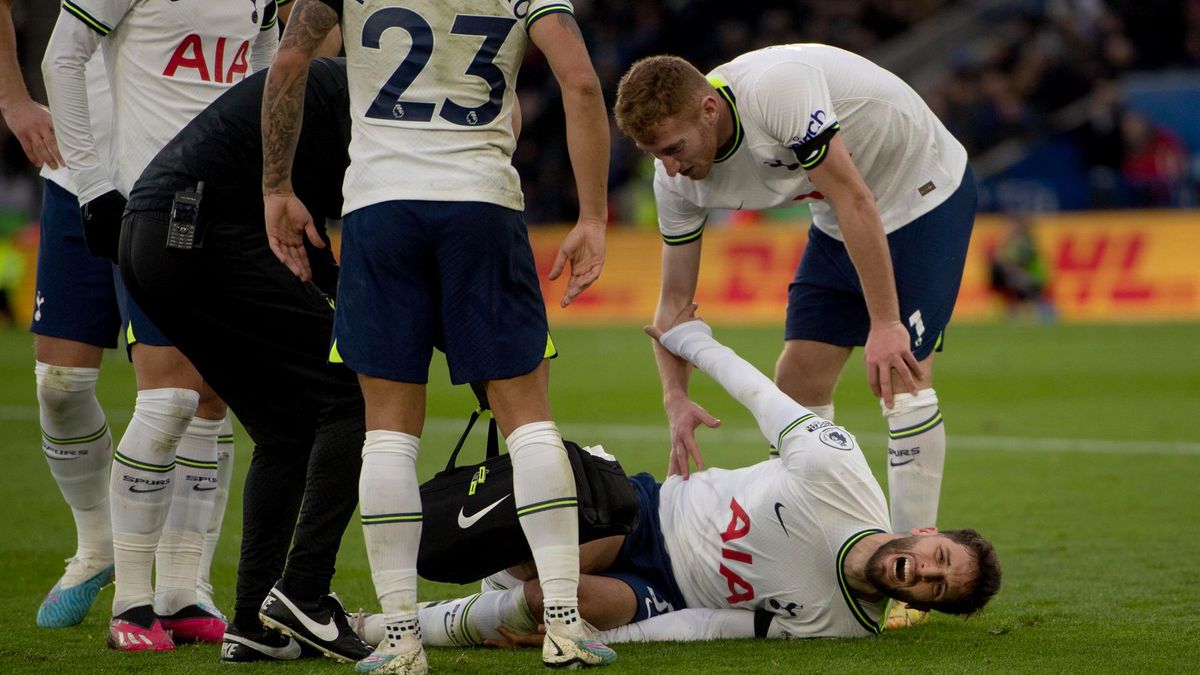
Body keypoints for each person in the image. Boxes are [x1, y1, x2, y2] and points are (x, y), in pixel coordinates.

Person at [261, 1, 611, 672]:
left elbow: (290, 57)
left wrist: (276, 185)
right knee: (529, 421)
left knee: (389, 431)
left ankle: (399, 638)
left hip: (380, 207)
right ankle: (565, 623)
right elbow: (584, 82)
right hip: (480, 202)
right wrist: (592, 214)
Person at [354, 309, 1002, 646]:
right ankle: (502, 559)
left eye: (937, 589)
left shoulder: (843, 623)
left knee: (559, 597)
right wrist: (688, 340)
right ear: (924, 531)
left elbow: (720, 625)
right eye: (939, 556)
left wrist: (581, 628)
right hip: (648, 508)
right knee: (547, 562)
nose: (926, 571)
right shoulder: (839, 470)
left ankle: (395, 626)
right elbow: (759, 394)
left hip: (667, 592)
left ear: (918, 604)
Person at [613, 46, 979, 628]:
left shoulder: (777, 92)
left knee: (903, 375)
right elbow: (675, 305)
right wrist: (674, 398)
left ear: (709, 109)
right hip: (838, 216)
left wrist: (884, 324)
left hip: (919, 193)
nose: (670, 167)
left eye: (674, 149)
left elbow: (857, 195)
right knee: (797, 378)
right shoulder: (674, 182)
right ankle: (816, 527)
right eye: (656, 155)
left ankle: (908, 571)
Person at [120, 57, 374, 664]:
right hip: (199, 230)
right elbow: (344, 233)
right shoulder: (373, 99)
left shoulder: (339, 83)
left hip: (157, 234)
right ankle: (303, 593)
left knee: (285, 427)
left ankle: (253, 618)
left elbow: (309, 239)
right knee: (357, 389)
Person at [42, 0, 279, 650]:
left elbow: (263, 66)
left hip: (226, 210)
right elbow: (61, 56)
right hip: (151, 203)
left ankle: (179, 594)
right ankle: (131, 602)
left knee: (210, 397)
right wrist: (91, 185)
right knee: (167, 394)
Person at [1, 0, 117, 629]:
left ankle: (188, 585)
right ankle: (98, 543)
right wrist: (13, 99)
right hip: (79, 175)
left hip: (187, 178)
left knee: (189, 391)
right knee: (59, 386)